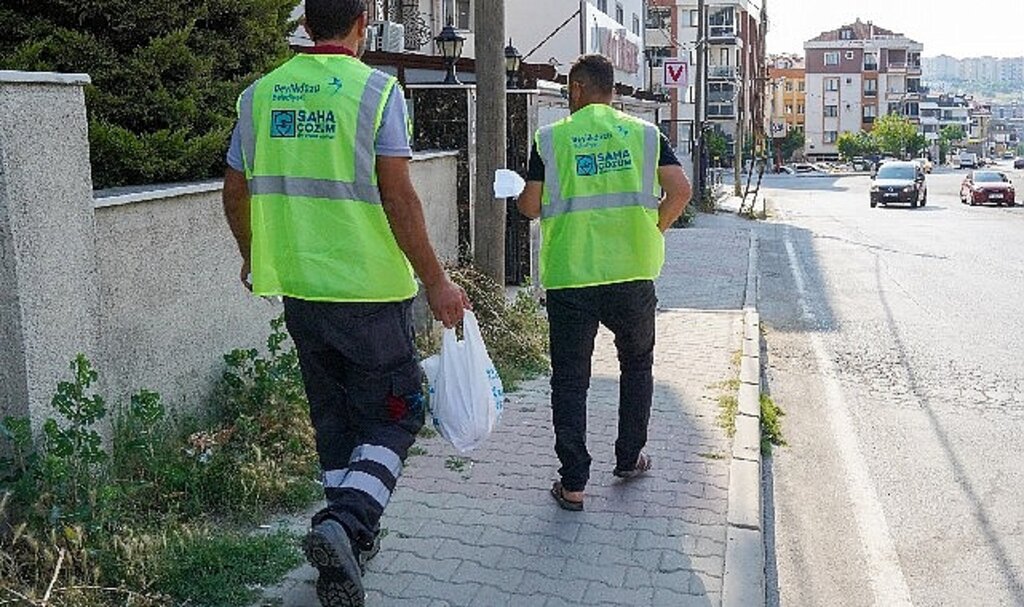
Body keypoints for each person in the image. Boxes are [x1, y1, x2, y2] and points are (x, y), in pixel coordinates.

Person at [221, 1, 469, 605]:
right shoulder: (377, 92)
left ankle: (348, 549)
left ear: (306, 27)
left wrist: (252, 256)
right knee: (396, 414)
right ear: (362, 25)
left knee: (334, 421)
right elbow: (399, 198)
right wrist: (437, 280)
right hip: (369, 292)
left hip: (301, 291)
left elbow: (234, 190)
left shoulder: (259, 96)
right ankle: (346, 521)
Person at [517, 54, 691, 512]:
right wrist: (653, 229)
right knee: (636, 366)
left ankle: (573, 484)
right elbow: (681, 190)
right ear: (612, 91)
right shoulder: (646, 135)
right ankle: (629, 458)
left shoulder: (551, 139)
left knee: (570, 380)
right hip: (632, 274)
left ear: (576, 89)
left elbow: (530, 207)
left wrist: (519, 194)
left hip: (572, 277)